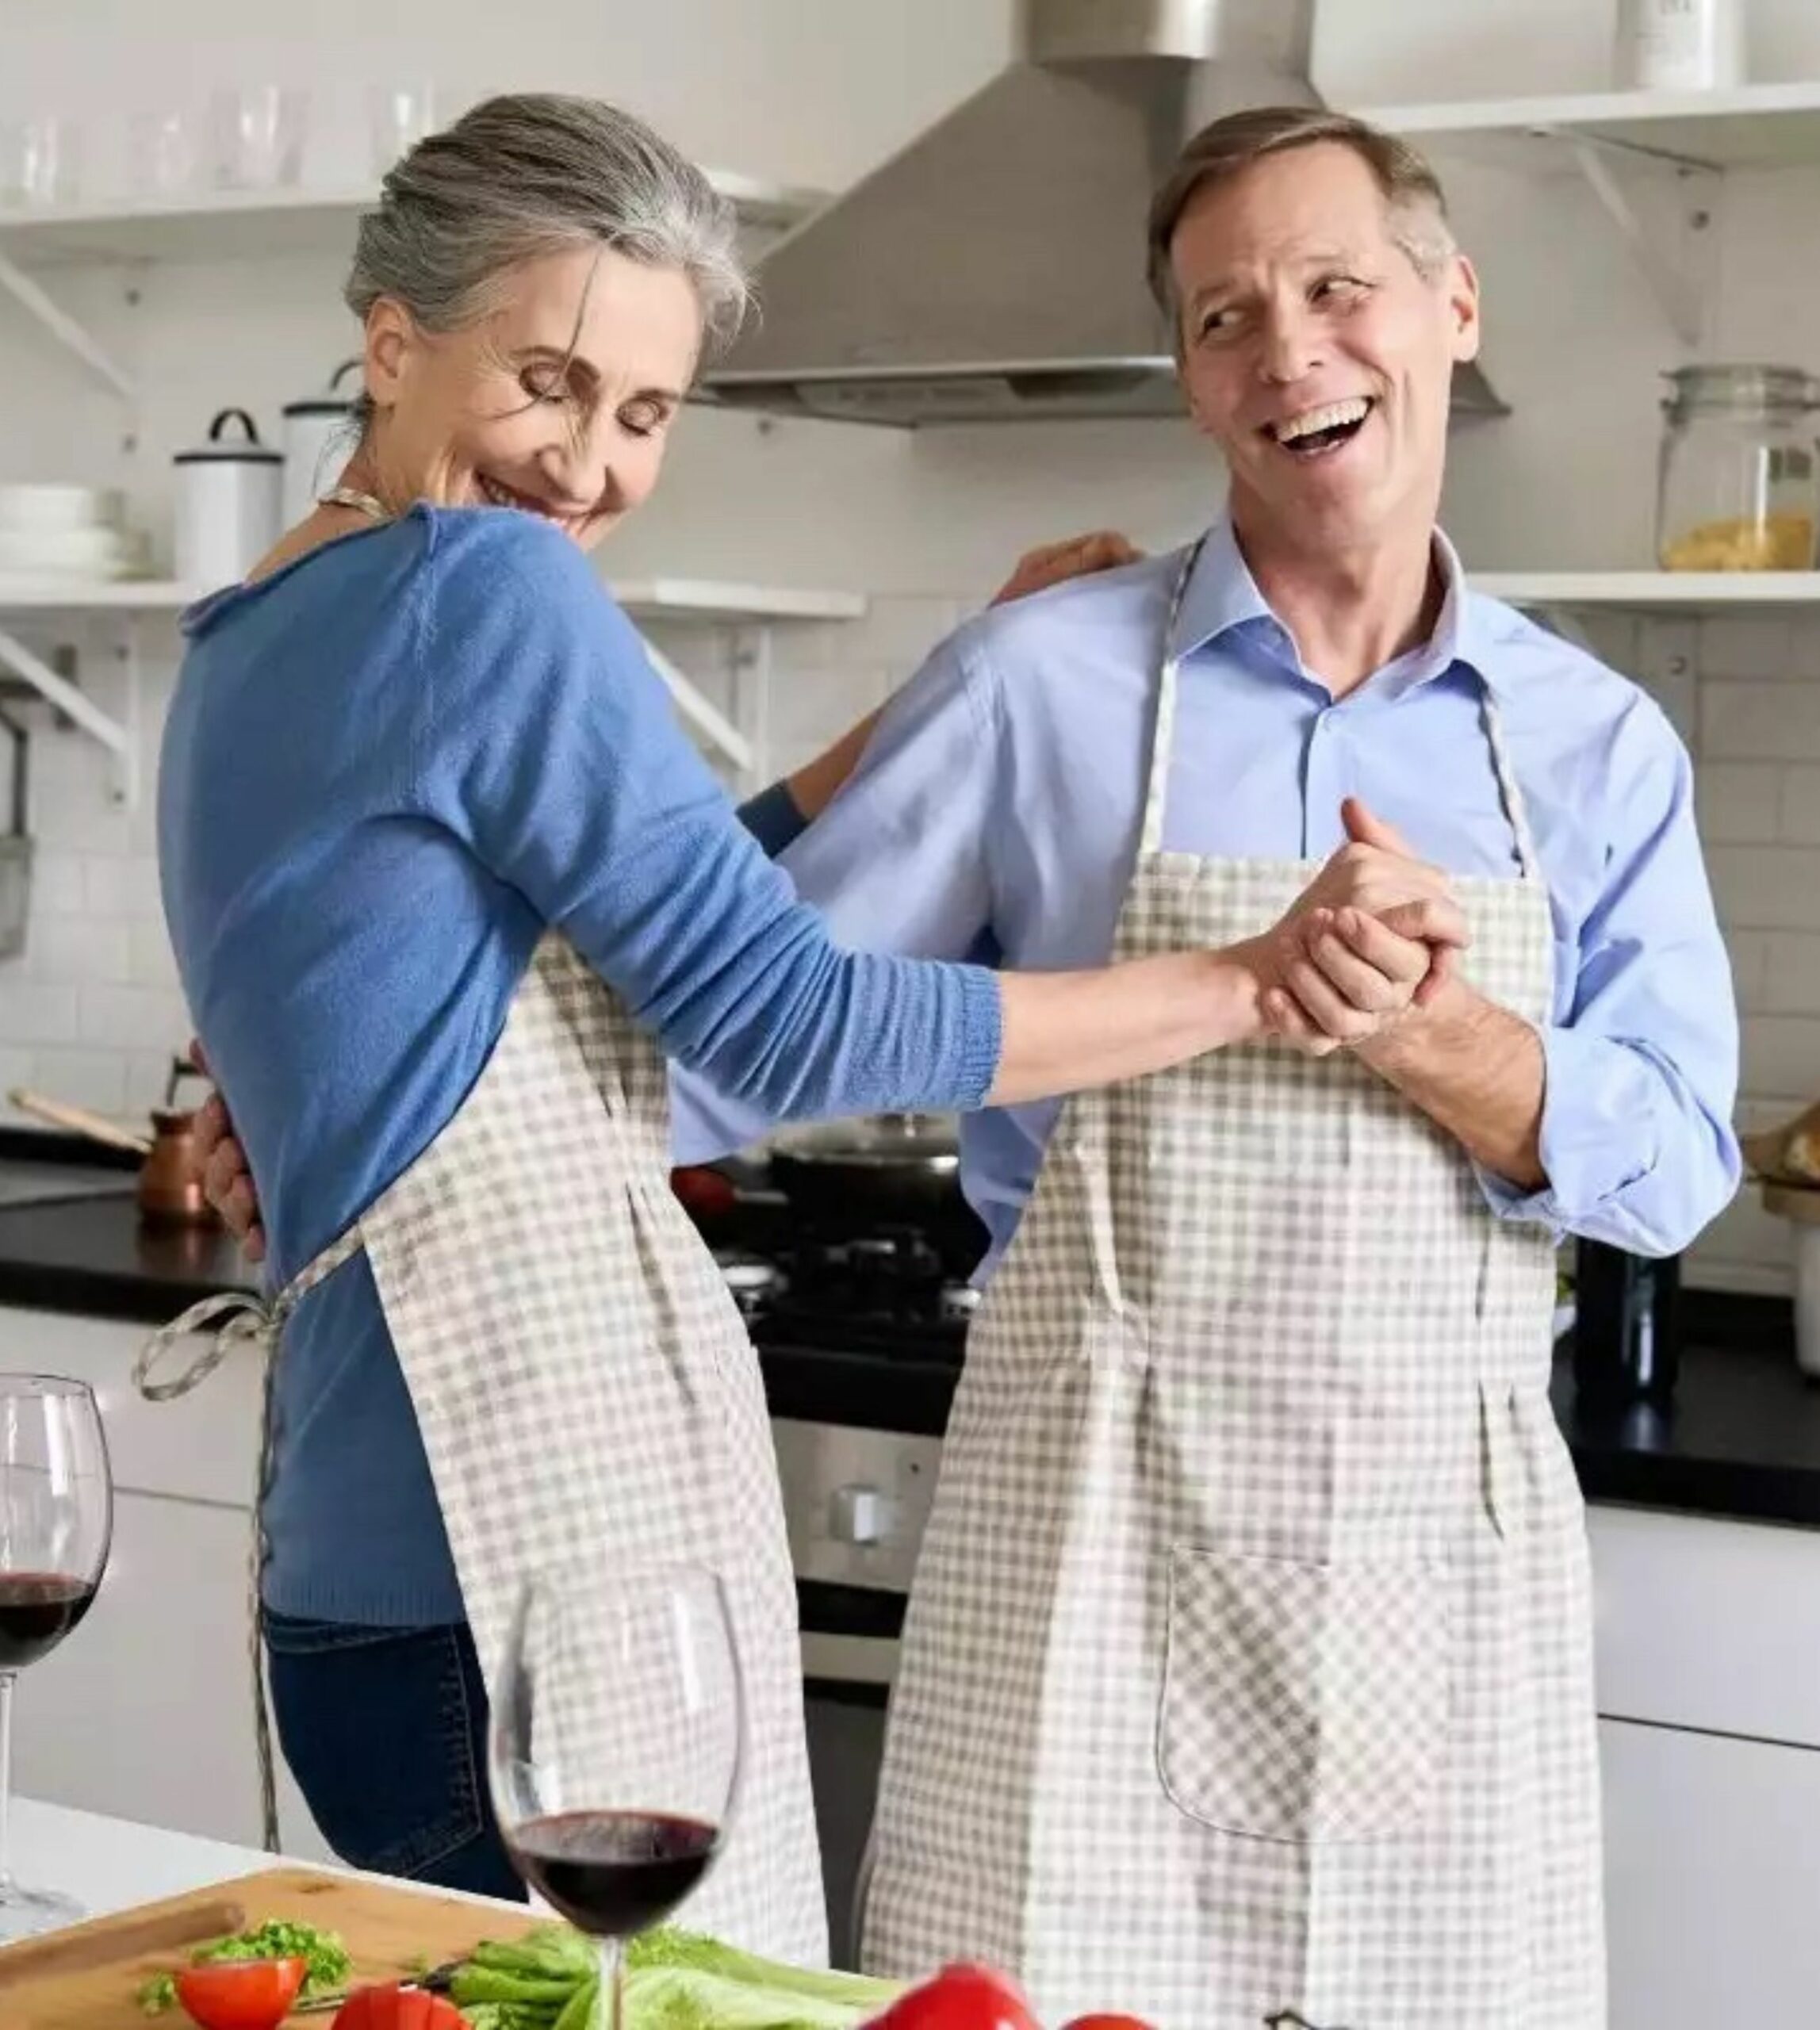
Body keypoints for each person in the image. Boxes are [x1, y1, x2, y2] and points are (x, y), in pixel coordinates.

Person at [195, 103, 1741, 2024]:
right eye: (1224, 315)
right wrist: (360, 1109)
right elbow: (722, 1029)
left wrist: (1453, 1041)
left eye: (1336, 289)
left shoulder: (1595, 745)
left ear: (1447, 306)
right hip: (1083, 1533)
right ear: (1184, 376)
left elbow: (1673, 1161)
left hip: (1435, 1555)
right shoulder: (1036, 685)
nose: (1287, 350)